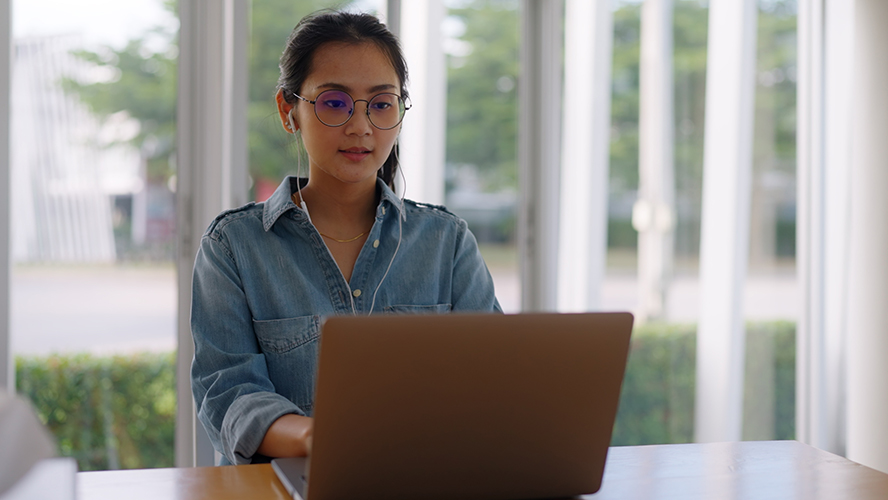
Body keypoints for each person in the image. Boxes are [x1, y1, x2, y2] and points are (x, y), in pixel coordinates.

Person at [190, 10, 501, 466]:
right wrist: (319, 439)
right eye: (335, 102)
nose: (361, 127)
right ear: (288, 110)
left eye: (381, 103)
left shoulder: (446, 243)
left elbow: (494, 380)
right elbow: (228, 394)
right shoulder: (233, 247)